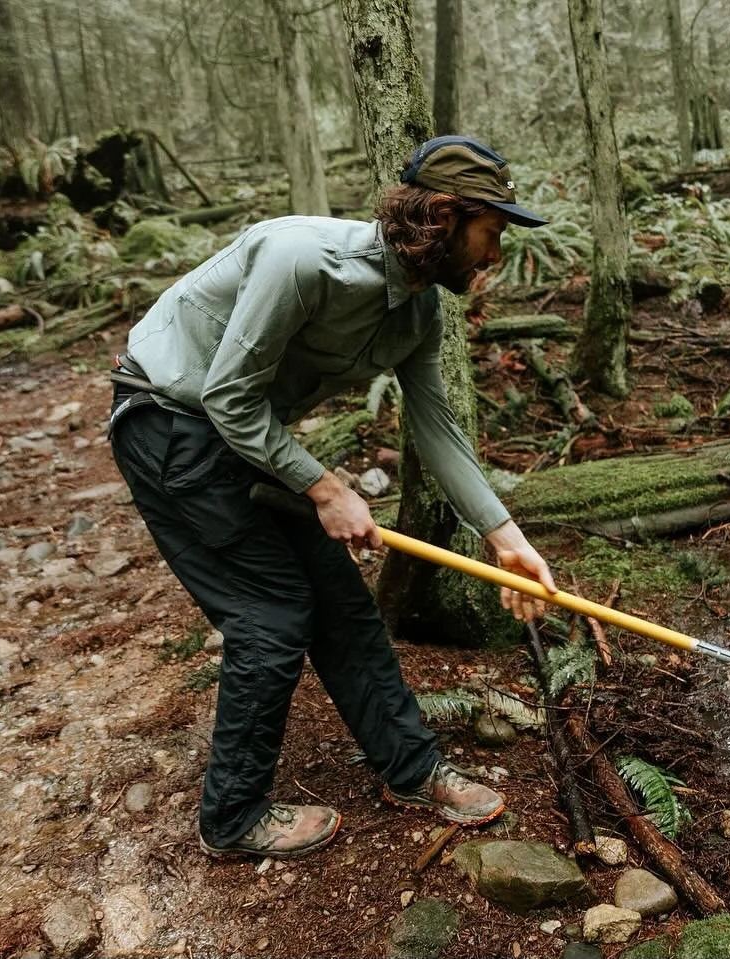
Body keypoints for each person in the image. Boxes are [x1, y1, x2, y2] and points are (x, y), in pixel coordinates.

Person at [107, 135, 558, 861]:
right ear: (444, 216)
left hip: (238, 433)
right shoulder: (303, 260)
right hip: (167, 423)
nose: (493, 255)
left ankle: (411, 769)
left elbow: (436, 428)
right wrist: (324, 486)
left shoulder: (417, 312)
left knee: (343, 602)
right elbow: (224, 393)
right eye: (490, 233)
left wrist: (507, 536)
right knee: (271, 611)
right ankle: (231, 815)